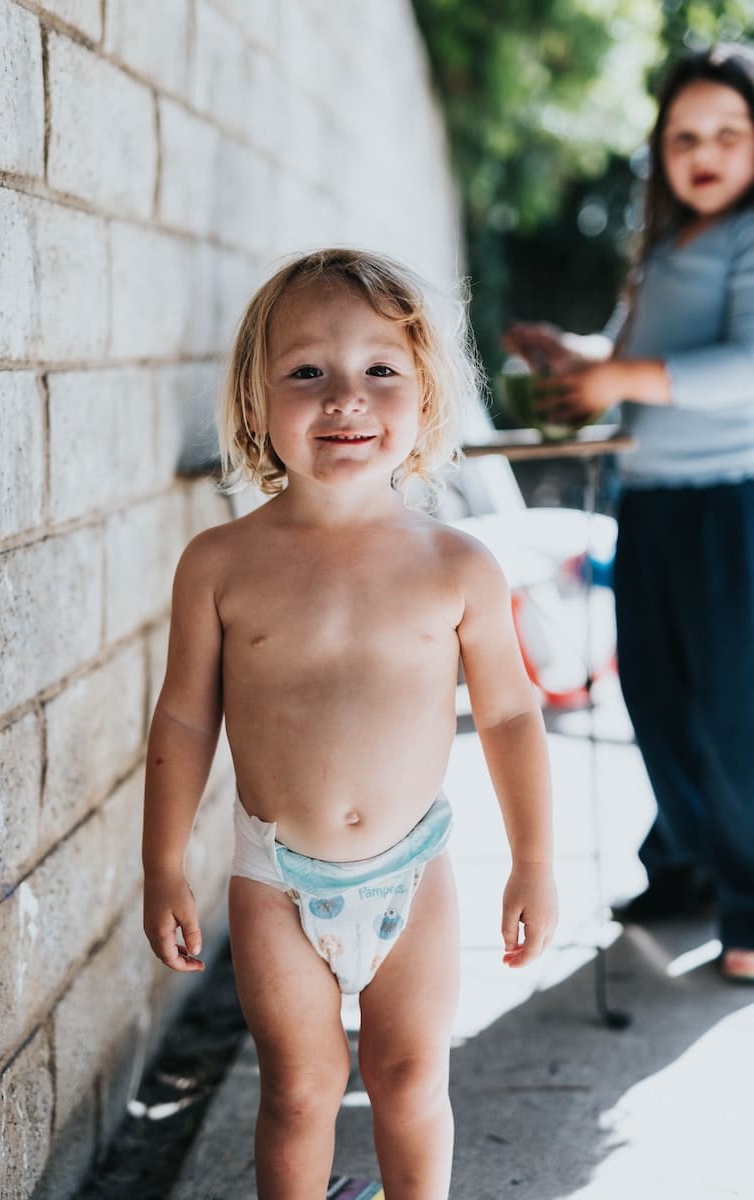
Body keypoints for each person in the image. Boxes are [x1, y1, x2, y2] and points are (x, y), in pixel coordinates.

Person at [143, 247, 558, 1198]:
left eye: (379, 369)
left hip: (414, 872)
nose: (345, 397)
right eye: (306, 372)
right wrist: (162, 865)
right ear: (255, 403)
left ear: (426, 399)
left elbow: (509, 714)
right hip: (275, 880)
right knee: (300, 1089)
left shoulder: (458, 566)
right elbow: (183, 720)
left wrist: (533, 863)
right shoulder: (220, 564)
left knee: (411, 1081)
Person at [504, 44, 754, 986]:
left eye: (729, 133)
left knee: (731, 714)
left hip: (729, 502)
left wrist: (616, 376)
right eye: (685, 136)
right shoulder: (666, 246)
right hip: (647, 502)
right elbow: (625, 359)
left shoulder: (749, 235)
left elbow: (744, 365)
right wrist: (574, 357)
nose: (704, 152)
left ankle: (749, 902)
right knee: (653, 697)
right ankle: (689, 863)